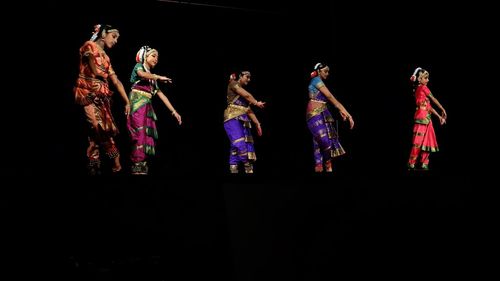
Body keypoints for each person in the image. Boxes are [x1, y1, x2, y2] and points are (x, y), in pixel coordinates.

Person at [73, 24, 130, 175]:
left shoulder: (106, 57)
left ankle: (95, 163)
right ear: (103, 34)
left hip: (102, 98)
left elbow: (116, 81)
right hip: (87, 93)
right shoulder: (89, 45)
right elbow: (90, 59)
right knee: (97, 125)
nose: (116, 41)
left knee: (99, 130)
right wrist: (98, 73)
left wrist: (127, 101)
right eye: (114, 36)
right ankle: (116, 160)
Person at [127, 46, 182, 175]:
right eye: (153, 55)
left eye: (157, 57)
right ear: (145, 56)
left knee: (146, 134)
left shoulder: (152, 77)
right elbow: (141, 74)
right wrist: (158, 76)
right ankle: (137, 162)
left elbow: (161, 95)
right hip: (137, 103)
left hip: (147, 105)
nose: (156, 59)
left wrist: (174, 112)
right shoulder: (139, 66)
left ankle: (142, 162)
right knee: (139, 132)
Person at [306, 63, 354, 172]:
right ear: (319, 71)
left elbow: (327, 99)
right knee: (324, 141)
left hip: (323, 113)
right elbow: (330, 97)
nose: (328, 73)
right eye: (325, 71)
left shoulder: (320, 82)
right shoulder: (316, 81)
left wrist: (341, 111)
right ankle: (327, 163)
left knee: (319, 143)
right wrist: (346, 112)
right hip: (314, 114)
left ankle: (323, 166)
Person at [223, 71, 265, 173]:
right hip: (232, 118)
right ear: (241, 76)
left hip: (243, 120)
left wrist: (257, 123)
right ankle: (247, 166)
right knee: (240, 144)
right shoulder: (233, 84)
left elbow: (248, 110)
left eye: (250, 78)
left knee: (235, 148)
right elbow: (247, 95)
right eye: (247, 77)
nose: (249, 80)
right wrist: (256, 102)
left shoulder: (242, 92)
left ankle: (234, 169)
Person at [407, 67, 447, 170]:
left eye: (427, 78)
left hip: (427, 119)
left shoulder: (420, 91)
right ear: (419, 79)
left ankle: (424, 163)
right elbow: (433, 99)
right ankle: (411, 163)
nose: (427, 80)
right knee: (417, 142)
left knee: (427, 141)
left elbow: (429, 107)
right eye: (426, 78)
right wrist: (442, 108)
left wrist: (439, 117)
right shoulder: (422, 88)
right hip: (421, 118)